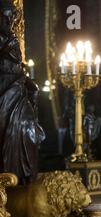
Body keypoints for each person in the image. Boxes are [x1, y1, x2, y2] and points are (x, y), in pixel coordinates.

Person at [0, 0, 45, 184]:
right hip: (5, 90)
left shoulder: (11, 37)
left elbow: (17, 66)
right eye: (6, 16)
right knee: (11, 130)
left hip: (17, 90)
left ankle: (24, 175)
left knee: (28, 130)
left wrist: (27, 82)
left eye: (12, 17)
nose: (9, 21)